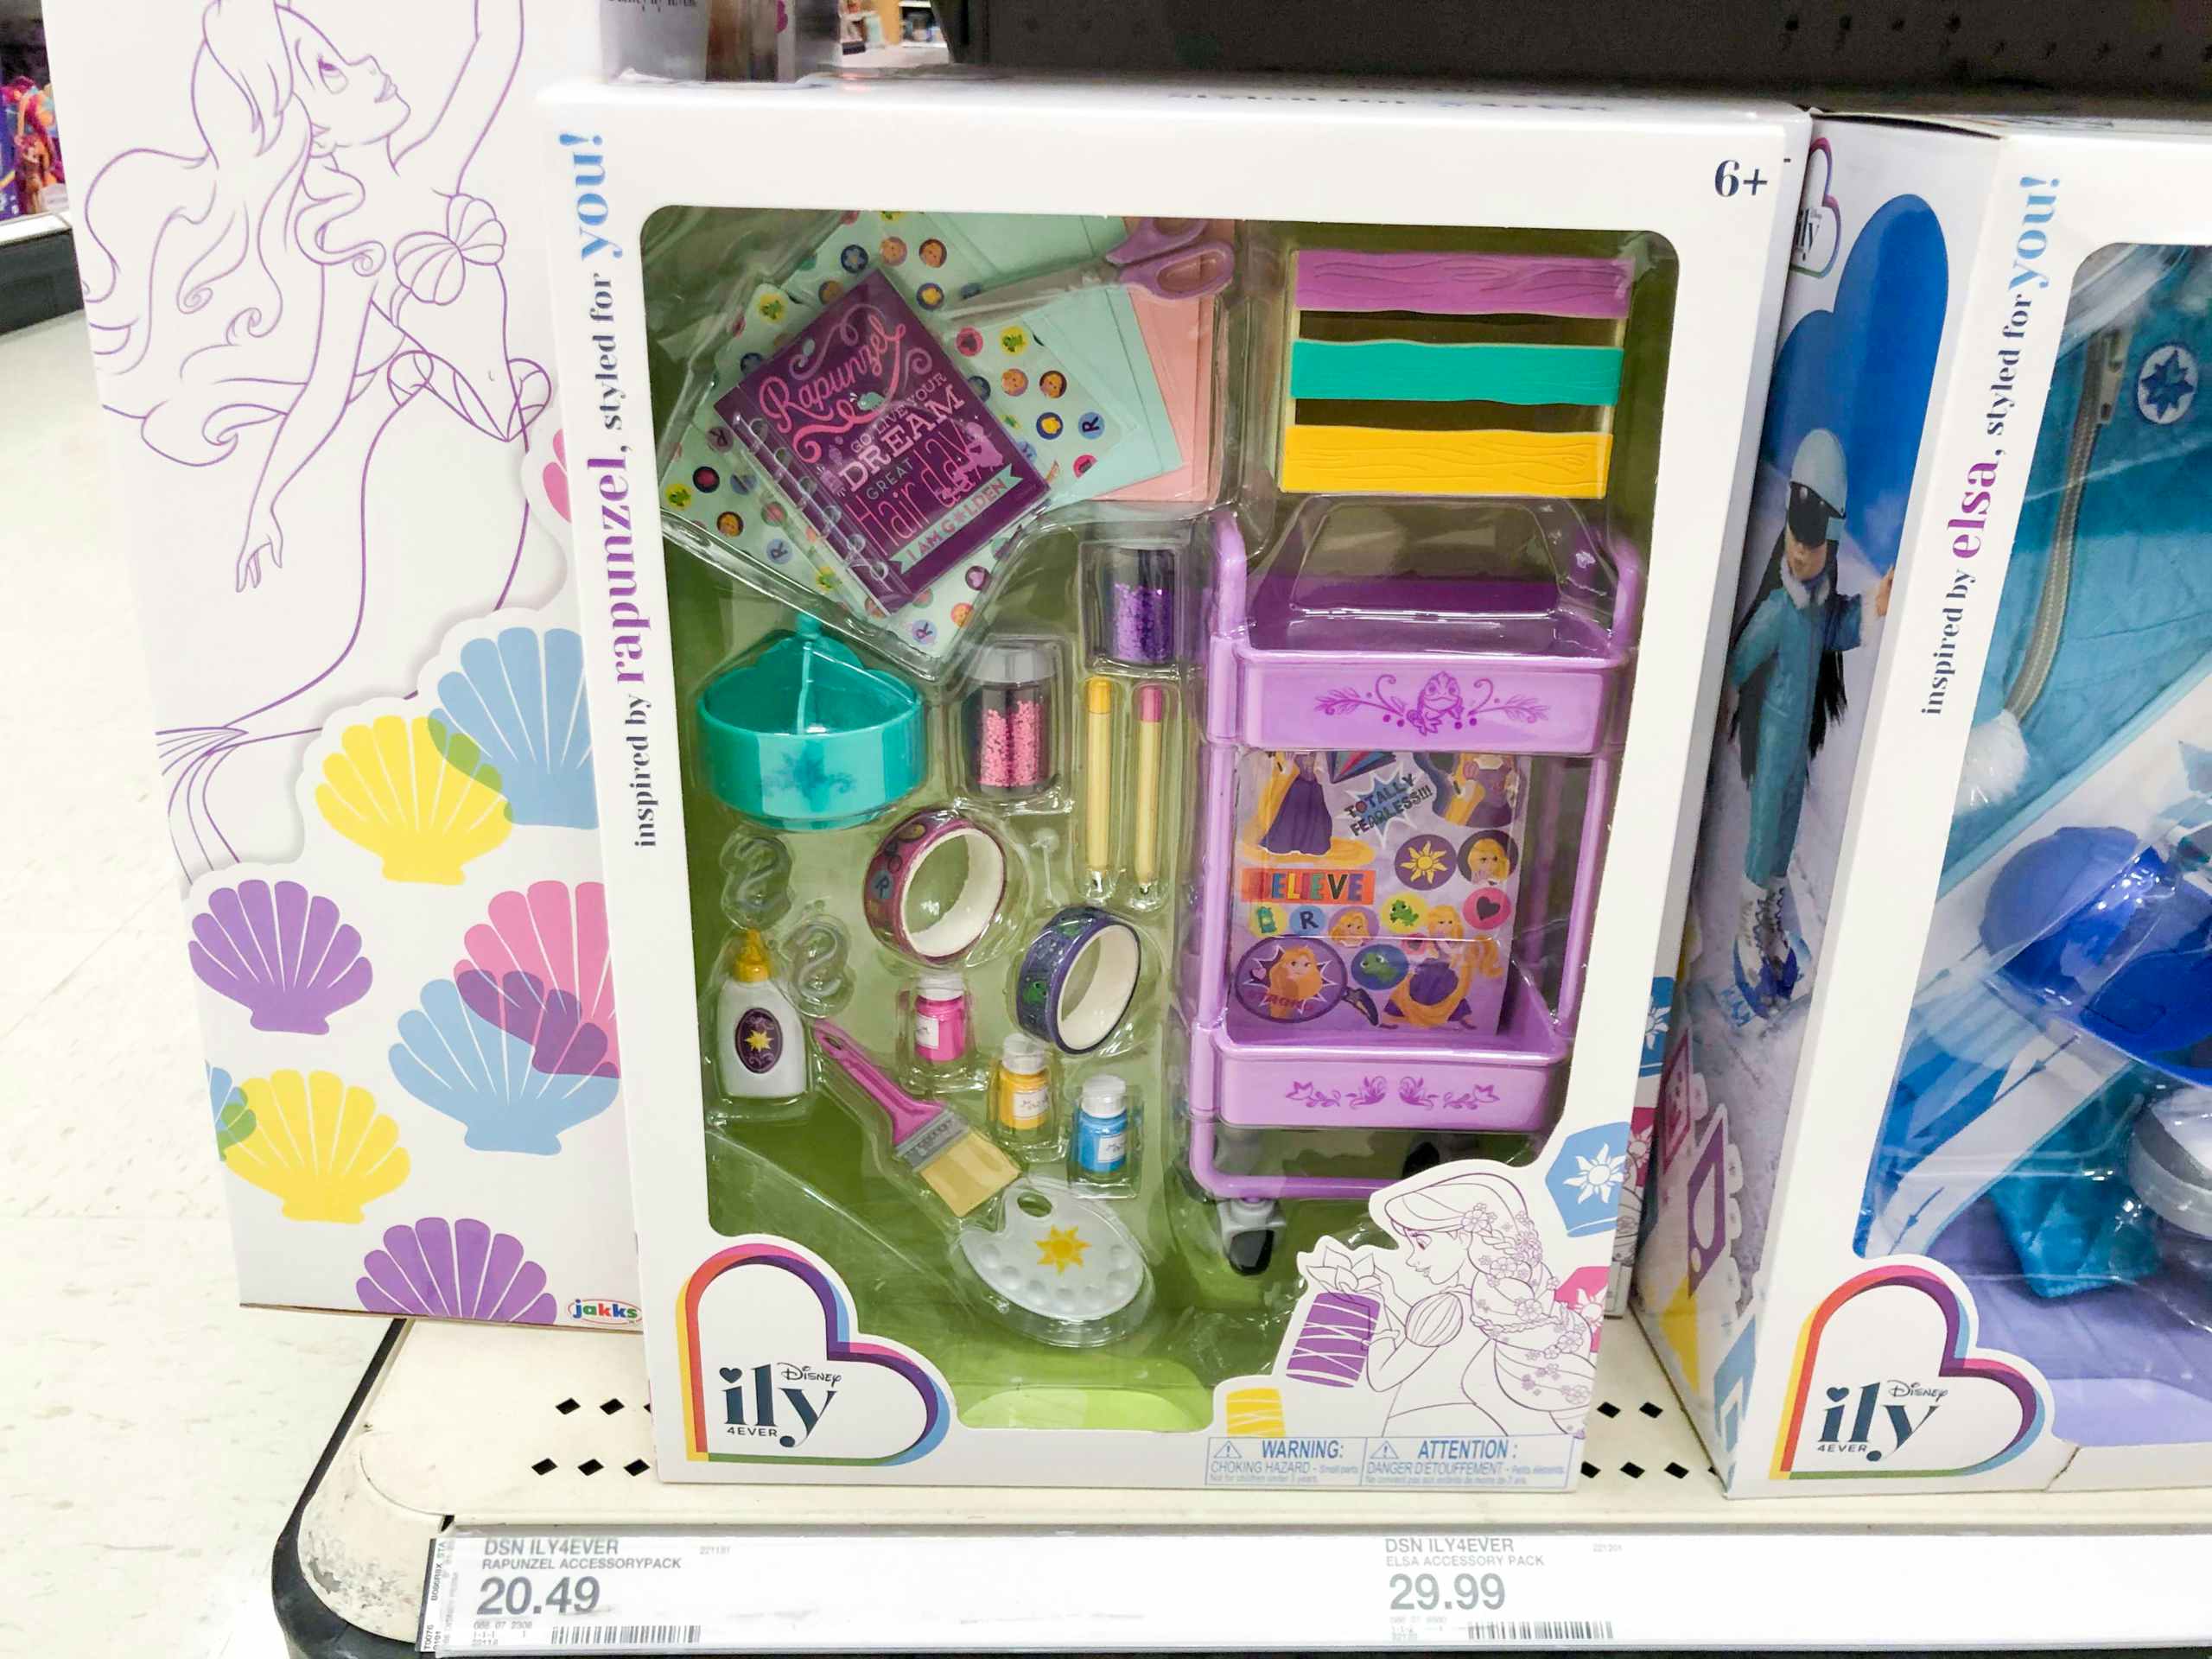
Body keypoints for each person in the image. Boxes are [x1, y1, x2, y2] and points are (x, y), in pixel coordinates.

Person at [80, 0, 548, 875]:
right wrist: (265, 502)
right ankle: (327, 830)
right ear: (306, 125)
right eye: (329, 72)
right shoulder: (352, 243)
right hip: (447, 468)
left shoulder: (433, 169)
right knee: (424, 671)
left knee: (455, 667)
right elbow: (323, 391)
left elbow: (497, 43)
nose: (367, 66)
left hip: (499, 444)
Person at [1727, 429, 1891, 1013]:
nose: (1800, 554)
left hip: (1796, 745)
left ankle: (1770, 911)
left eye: (1813, 544)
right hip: (1773, 738)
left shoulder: (1820, 607)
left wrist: (1875, 605)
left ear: (1833, 545)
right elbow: (1742, 659)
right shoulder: (1781, 608)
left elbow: (1842, 630)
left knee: (1788, 824)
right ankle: (1747, 923)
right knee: (1765, 826)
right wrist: (1726, 702)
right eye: (1796, 540)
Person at [1352, 1172, 1596, 1435]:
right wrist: (1387, 1295)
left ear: (1464, 1236)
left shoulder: (1447, 1307)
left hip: (1422, 1425)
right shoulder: (1494, 1304)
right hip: (1471, 1423)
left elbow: (1381, 1378)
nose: (1412, 1258)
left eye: (1421, 1243)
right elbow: (1424, 1332)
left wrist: (1370, 1313)